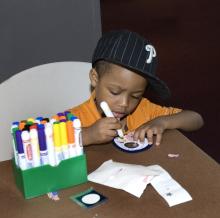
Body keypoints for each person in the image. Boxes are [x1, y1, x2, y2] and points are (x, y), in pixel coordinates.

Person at [69, 30, 203, 146]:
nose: (124, 104)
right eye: (115, 92)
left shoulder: (144, 110)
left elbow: (196, 119)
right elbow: (47, 139)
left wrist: (162, 122)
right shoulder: (75, 118)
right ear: (95, 78)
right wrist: (86, 135)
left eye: (135, 96)